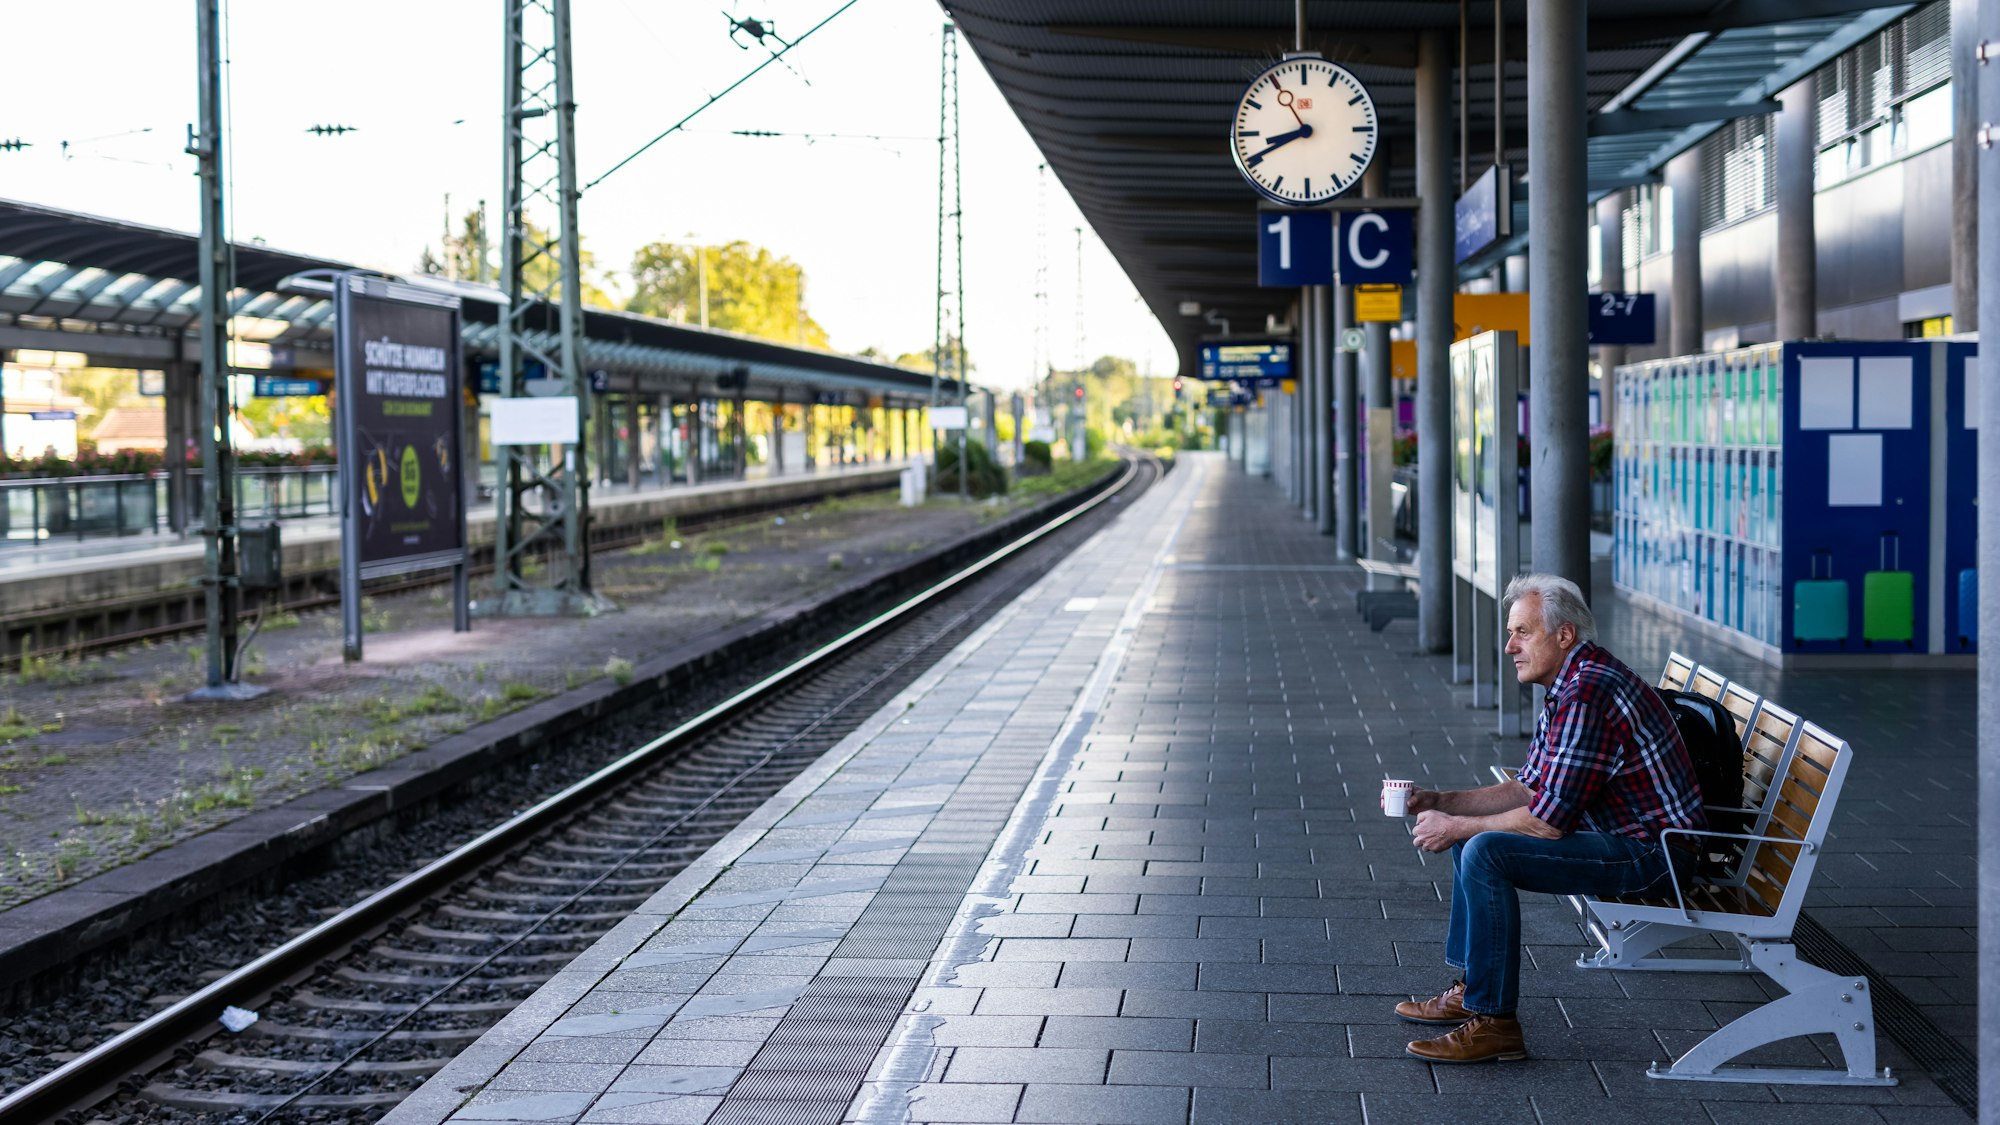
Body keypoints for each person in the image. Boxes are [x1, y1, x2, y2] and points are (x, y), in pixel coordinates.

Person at [1396, 573, 1705, 1063]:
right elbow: (1528, 787)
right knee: (1472, 841)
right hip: (1623, 837)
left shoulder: (1587, 693)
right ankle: (1474, 988)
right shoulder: (1572, 681)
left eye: (1522, 632)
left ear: (1564, 636)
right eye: (1510, 632)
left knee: (1483, 850)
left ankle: (1494, 1021)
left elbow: (1550, 821)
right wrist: (1443, 801)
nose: (1509, 646)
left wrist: (1458, 827)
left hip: (1655, 854)